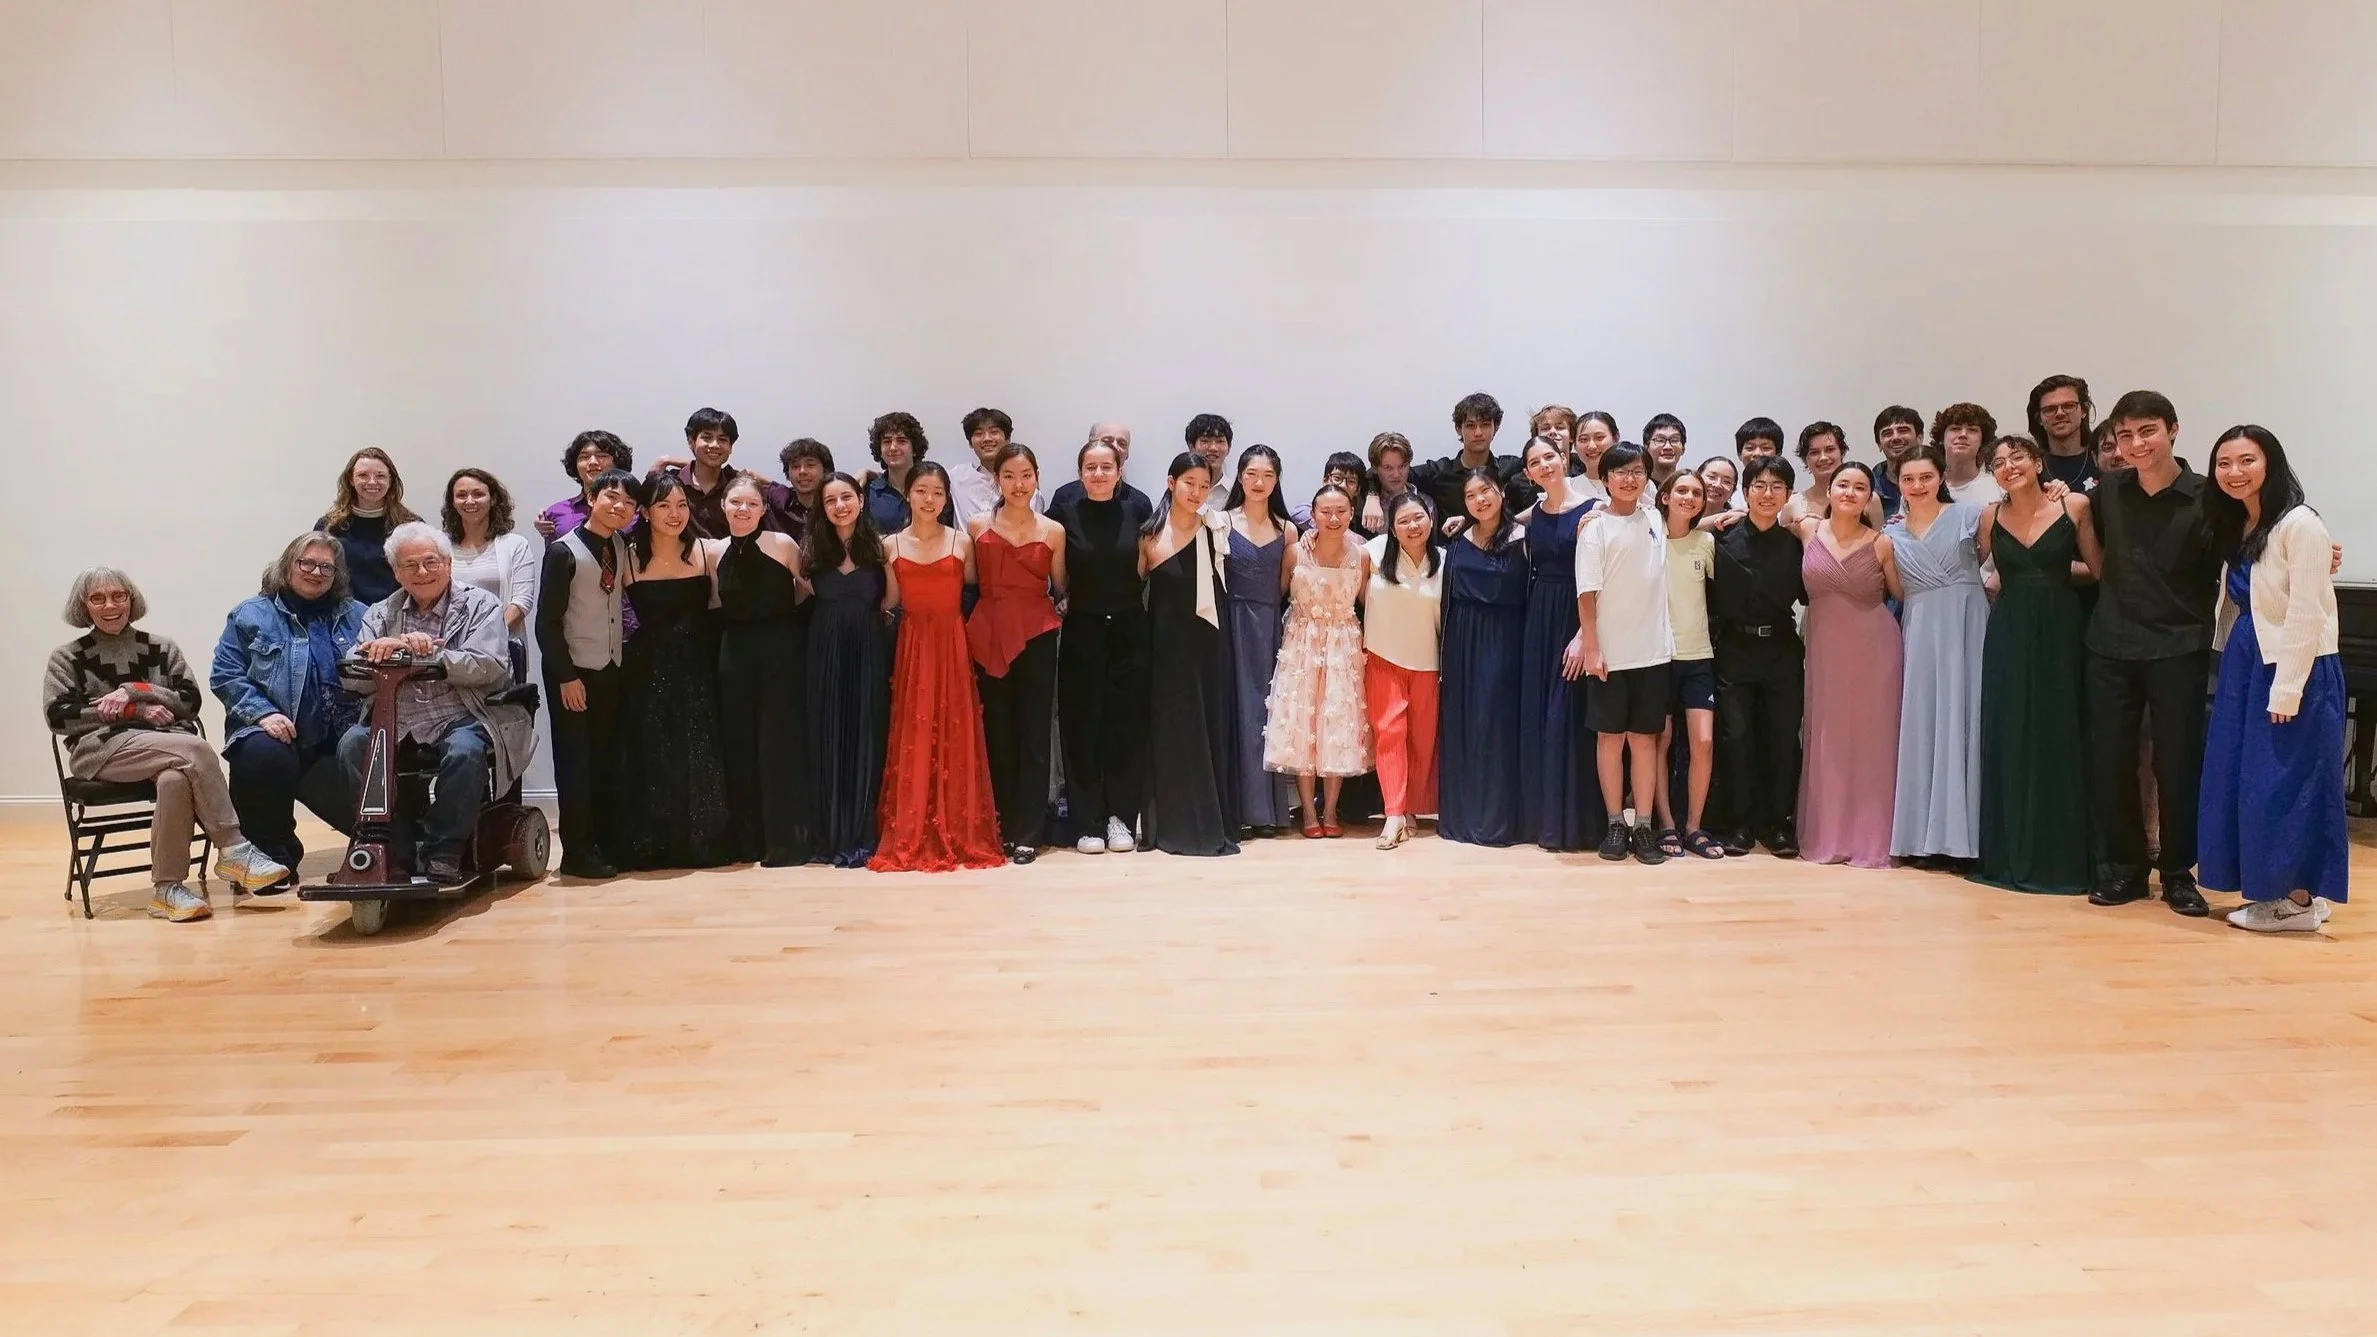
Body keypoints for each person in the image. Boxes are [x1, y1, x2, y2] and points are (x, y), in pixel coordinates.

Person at [48, 568, 291, 920]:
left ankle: (167, 890)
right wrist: (135, 711)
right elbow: (58, 715)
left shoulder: (160, 648)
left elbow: (190, 701)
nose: (110, 605)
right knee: (195, 749)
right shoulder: (67, 657)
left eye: (118, 596)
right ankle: (234, 848)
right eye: (98, 598)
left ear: (132, 600)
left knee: (174, 779)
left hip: (165, 748)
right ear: (83, 606)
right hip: (102, 751)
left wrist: (136, 690)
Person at [2199, 426, 2347, 931]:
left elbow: (2308, 611)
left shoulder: (2300, 524)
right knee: (2247, 779)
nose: (2234, 472)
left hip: (2292, 667)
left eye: (2246, 461)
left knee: (2287, 782)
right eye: (2224, 463)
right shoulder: (2241, 522)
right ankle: (2277, 891)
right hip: (2249, 660)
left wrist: (2289, 688)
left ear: (2271, 463)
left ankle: (2299, 900)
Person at [2084, 391, 2224, 915]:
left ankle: (2177, 871)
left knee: (2178, 762)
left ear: (2173, 430)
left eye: (2147, 431)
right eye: (2125, 435)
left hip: (2179, 647)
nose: (2135, 444)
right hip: (2111, 644)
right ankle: (2126, 869)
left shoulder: (2207, 496)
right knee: (2111, 760)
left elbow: (2255, 535)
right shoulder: (2108, 492)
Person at [338, 524, 535, 884]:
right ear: (396, 572)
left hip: (464, 711)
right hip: (397, 715)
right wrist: (386, 649)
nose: (422, 572)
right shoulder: (381, 613)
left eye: (431, 562)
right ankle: (393, 847)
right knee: (352, 745)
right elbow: (351, 673)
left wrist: (429, 655)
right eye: (410, 565)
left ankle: (444, 848)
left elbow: (489, 666)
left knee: (463, 752)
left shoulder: (481, 605)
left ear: (447, 564)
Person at [1971, 436, 2102, 895]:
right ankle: (2009, 851)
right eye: (1999, 463)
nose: (2008, 467)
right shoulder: (1989, 516)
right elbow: (1981, 572)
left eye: (2017, 457)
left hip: (2062, 630)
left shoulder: (2075, 506)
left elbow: (2099, 568)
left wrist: (2051, 576)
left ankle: (2060, 854)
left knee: (2059, 733)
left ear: (2038, 461)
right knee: (2011, 733)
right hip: (2008, 632)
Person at [211, 533, 365, 889]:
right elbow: (225, 674)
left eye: (326, 566)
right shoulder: (251, 614)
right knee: (264, 754)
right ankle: (270, 857)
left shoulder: (358, 615)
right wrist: (263, 714)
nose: (316, 572)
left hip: (335, 734)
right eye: (306, 563)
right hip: (268, 727)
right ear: (287, 566)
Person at [873, 463, 1004, 872]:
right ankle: (913, 829)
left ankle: (959, 828)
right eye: (921, 491)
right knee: (915, 729)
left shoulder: (962, 542)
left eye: (937, 493)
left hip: (951, 643)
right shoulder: (888, 545)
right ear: (908, 495)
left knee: (955, 729)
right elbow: (890, 600)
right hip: (913, 646)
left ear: (947, 499)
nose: (929, 500)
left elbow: (972, 589)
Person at [616, 472, 732, 870]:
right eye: (664, 505)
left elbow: (719, 609)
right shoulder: (626, 556)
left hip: (699, 663)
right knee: (654, 751)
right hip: (647, 666)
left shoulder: (707, 552)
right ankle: (654, 842)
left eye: (682, 505)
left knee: (701, 750)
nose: (675, 513)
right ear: (645, 512)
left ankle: (704, 842)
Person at [1793, 462, 1904, 868]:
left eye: (1860, 487)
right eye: (1843, 484)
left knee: (1873, 743)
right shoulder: (1806, 528)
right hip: (1824, 651)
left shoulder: (1882, 543)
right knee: (1828, 739)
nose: (1850, 493)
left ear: (1869, 496)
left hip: (1875, 650)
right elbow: (1764, 513)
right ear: (1830, 489)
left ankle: (1870, 836)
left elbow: (1899, 592)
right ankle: (1830, 833)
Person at [1885, 445, 1988, 869]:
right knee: (1924, 722)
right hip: (1921, 623)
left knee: (1964, 720)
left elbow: (1992, 562)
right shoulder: (1890, 533)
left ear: (1940, 476)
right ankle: (1921, 839)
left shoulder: (1971, 515)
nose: (1917, 486)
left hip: (1967, 621)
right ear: (1898, 483)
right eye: (1908, 479)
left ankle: (1965, 839)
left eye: (1925, 477)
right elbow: (1896, 590)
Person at [967, 444, 1067, 864]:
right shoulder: (974, 526)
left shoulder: (1053, 530)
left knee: (1034, 733)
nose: (1018, 483)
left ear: (1037, 476)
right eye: (1009, 475)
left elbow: (1061, 587)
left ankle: (1029, 830)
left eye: (1025, 474)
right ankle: (1003, 826)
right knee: (998, 733)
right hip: (989, 630)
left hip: (1037, 633)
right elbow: (970, 579)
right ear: (996, 479)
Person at [536, 469, 638, 879]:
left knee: (604, 760)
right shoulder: (563, 552)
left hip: (609, 665)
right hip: (574, 672)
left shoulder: (617, 543)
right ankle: (576, 853)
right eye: (612, 497)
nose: (620, 507)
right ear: (591, 497)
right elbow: (547, 623)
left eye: (629, 503)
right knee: (575, 763)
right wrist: (566, 677)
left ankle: (604, 842)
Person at [1576, 444, 1674, 865]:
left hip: (1652, 653)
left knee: (1646, 741)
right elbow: (1586, 595)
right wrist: (1592, 648)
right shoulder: (1594, 528)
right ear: (1607, 478)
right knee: (1610, 739)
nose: (1629, 479)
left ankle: (1644, 825)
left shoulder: (1655, 518)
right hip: (1610, 656)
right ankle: (1616, 822)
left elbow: (1693, 519)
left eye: (1637, 471)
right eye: (1621, 472)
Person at [1053, 439, 1153, 855]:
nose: (1098, 475)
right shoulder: (1065, 505)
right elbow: (1054, 563)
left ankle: (1120, 819)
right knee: (1081, 726)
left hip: (1129, 627)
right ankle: (1087, 821)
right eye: (1090, 468)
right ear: (1080, 472)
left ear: (1119, 470)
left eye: (1106, 467)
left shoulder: (1139, 506)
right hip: (1082, 629)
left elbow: (1149, 561)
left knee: (1124, 727)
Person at [710, 472, 812, 867]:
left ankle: (784, 842)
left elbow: (807, 589)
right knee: (739, 744)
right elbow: (713, 603)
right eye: (735, 502)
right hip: (734, 653)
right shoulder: (713, 552)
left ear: (763, 509)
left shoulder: (783, 544)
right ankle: (747, 840)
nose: (743, 509)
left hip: (780, 652)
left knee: (778, 745)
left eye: (752, 504)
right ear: (723, 506)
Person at [1139, 453, 1239, 855]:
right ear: (1170, 483)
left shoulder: (1215, 529)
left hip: (1208, 646)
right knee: (1170, 731)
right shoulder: (1148, 537)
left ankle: (1210, 819)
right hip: (1163, 649)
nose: (1197, 492)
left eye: (1203, 485)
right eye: (1188, 483)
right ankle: (1171, 823)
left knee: (1207, 726)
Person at [1710, 456, 1806, 858]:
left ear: (1787, 494)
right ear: (1745, 491)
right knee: (1737, 738)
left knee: (1784, 739)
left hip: (1782, 649)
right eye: (1759, 485)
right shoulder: (1720, 541)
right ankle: (1741, 824)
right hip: (1734, 649)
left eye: (1777, 486)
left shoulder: (1798, 544)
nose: (1768, 494)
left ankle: (1778, 823)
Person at [1264, 483, 1372, 836]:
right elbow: (1279, 592)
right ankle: (1308, 813)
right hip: (1302, 642)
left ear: (1352, 514)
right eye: (1325, 511)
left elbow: (1368, 602)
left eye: (1341, 510)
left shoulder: (1362, 554)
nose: (1333, 517)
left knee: (1337, 725)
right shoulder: (1296, 551)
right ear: (1312, 515)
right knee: (1303, 726)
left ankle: (1330, 811)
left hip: (1343, 644)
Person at [1514, 437, 1601, 853]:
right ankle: (1541, 820)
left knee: (1568, 716)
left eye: (1549, 456)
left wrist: (1585, 635)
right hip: (1538, 619)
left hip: (1576, 616)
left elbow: (1600, 577)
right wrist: (1461, 521)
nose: (1544, 465)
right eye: (1535, 461)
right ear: (1528, 473)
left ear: (1564, 459)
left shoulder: (1593, 510)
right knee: (1540, 715)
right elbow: (1497, 520)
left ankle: (1575, 823)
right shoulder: (1532, 513)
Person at [1437, 468, 1530, 846]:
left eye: (1486, 491)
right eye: (1472, 495)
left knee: (1496, 726)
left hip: (1505, 640)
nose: (1480, 499)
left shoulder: (1524, 537)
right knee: (1465, 725)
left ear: (1501, 492)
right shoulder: (1457, 540)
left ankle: (1498, 820)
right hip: (1462, 641)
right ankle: (1462, 816)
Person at [805, 473, 893, 867]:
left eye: (847, 497)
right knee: (828, 735)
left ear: (860, 500)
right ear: (821, 508)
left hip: (868, 647)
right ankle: (829, 831)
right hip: (824, 650)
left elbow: (892, 598)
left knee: (865, 733)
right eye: (830, 501)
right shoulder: (811, 550)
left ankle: (861, 830)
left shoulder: (881, 547)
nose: (840, 506)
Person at [1223, 446, 1298, 835]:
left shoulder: (1288, 529)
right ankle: (1237, 808)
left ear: (1276, 480)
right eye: (1251, 474)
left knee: (1267, 716)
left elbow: (1285, 586)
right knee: (1236, 713)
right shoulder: (1219, 522)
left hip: (1269, 629)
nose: (1258, 482)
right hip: (1230, 625)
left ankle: (1266, 811)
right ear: (1239, 477)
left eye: (1267, 475)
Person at [1364, 492, 1444, 849]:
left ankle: (1411, 808)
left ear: (1431, 518)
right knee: (1389, 734)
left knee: (1422, 741)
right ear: (1392, 528)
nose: (1413, 526)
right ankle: (1393, 813)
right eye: (1403, 521)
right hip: (1383, 658)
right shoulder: (1373, 552)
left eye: (1418, 518)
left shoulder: (1445, 560)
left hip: (1429, 663)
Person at [1653, 471, 1723, 860]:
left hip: (1699, 658)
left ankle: (1694, 826)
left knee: (1704, 741)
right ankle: (1666, 824)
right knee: (1659, 743)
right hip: (1657, 658)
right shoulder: (1646, 539)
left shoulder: (1707, 542)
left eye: (1697, 493)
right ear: (1664, 496)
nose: (1689, 497)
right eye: (1681, 490)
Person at [657, 406, 796, 539]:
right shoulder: (672, 483)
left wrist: (765, 481)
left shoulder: (740, 485)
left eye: (722, 439)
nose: (714, 445)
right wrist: (664, 461)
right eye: (707, 437)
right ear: (691, 441)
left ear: (730, 448)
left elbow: (788, 499)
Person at [1412, 392, 1535, 529]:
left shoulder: (1510, 467)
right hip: (1454, 548)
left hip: (1502, 546)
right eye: (1470, 426)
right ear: (1459, 429)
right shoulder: (1439, 472)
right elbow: (1390, 474)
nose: (1478, 433)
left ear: (1496, 428)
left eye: (1485, 425)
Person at [443, 468, 538, 638]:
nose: (470, 501)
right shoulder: (441, 546)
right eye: (461, 495)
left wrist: (484, 639)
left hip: (499, 646)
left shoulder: (516, 545)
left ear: (492, 499)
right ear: (452, 502)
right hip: (450, 644)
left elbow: (521, 603)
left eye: (478, 494)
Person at [317, 447, 418, 605]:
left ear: (390, 480)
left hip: (397, 615)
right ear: (351, 479)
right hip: (341, 616)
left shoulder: (411, 526)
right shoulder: (329, 526)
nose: (372, 482)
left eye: (380, 476)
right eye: (363, 475)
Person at [860, 411, 950, 535]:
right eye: (887, 442)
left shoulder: (936, 488)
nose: (893, 447)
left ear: (914, 448)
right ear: (879, 450)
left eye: (901, 441)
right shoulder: (868, 491)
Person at [537, 429, 634, 541]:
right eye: (584, 457)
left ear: (617, 462)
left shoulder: (638, 510)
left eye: (601, 455)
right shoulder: (555, 513)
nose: (592, 462)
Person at [950, 407, 1036, 526]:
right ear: (970, 443)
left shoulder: (1024, 485)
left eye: (994, 432)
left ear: (1007, 438)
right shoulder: (957, 477)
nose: (987, 439)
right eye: (978, 434)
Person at [1050, 422, 1149, 513]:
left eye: (1122, 443)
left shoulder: (1140, 504)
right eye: (1107, 441)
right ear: (1090, 445)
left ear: (1128, 453)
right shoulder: (1064, 498)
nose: (1115, 447)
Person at [2028, 374, 2098, 491]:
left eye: (2069, 406)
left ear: (2084, 411)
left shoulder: (2102, 458)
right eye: (2050, 409)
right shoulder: (2031, 468)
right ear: (2039, 418)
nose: (2060, 413)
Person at [1932, 403, 2004, 506]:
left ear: (1982, 441)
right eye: (1955, 429)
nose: (1963, 435)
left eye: (1972, 430)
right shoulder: (1923, 487)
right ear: (1941, 438)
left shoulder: (1998, 489)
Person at [1871, 405, 1925, 519]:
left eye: (1903, 430)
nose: (1895, 437)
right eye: (1887, 433)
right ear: (1879, 444)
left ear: (1920, 438)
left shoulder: (1938, 484)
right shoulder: (1868, 490)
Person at [1290, 452, 1367, 530]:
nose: (1343, 485)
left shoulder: (1363, 521)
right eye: (1337, 478)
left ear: (1357, 490)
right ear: (1325, 481)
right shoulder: (1306, 509)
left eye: (1351, 481)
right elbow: (1296, 513)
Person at [1358, 432, 1415, 536]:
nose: (1396, 474)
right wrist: (1372, 496)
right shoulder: (1361, 505)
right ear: (1375, 468)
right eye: (1388, 468)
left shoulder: (1427, 501)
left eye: (1402, 466)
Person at [777, 438, 834, 540]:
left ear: (825, 470)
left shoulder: (838, 505)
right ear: (788, 474)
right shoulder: (779, 501)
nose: (802, 471)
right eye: (795, 466)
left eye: (810, 465)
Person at [1184, 414, 1234, 509]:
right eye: (1205, 441)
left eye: (1220, 441)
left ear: (1229, 447)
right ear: (1191, 447)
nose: (1213, 448)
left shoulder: (1237, 494)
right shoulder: (1180, 490)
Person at [1568, 411, 1619, 503]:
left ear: (1615, 438)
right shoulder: (1567, 487)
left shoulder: (1634, 482)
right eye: (1584, 439)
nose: (1592, 446)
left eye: (1599, 437)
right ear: (1574, 444)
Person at [1643, 414, 1688, 487]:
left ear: (1683, 448)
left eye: (1674, 440)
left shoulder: (1687, 489)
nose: (1668, 447)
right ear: (1646, 447)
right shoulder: (1637, 488)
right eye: (1660, 440)